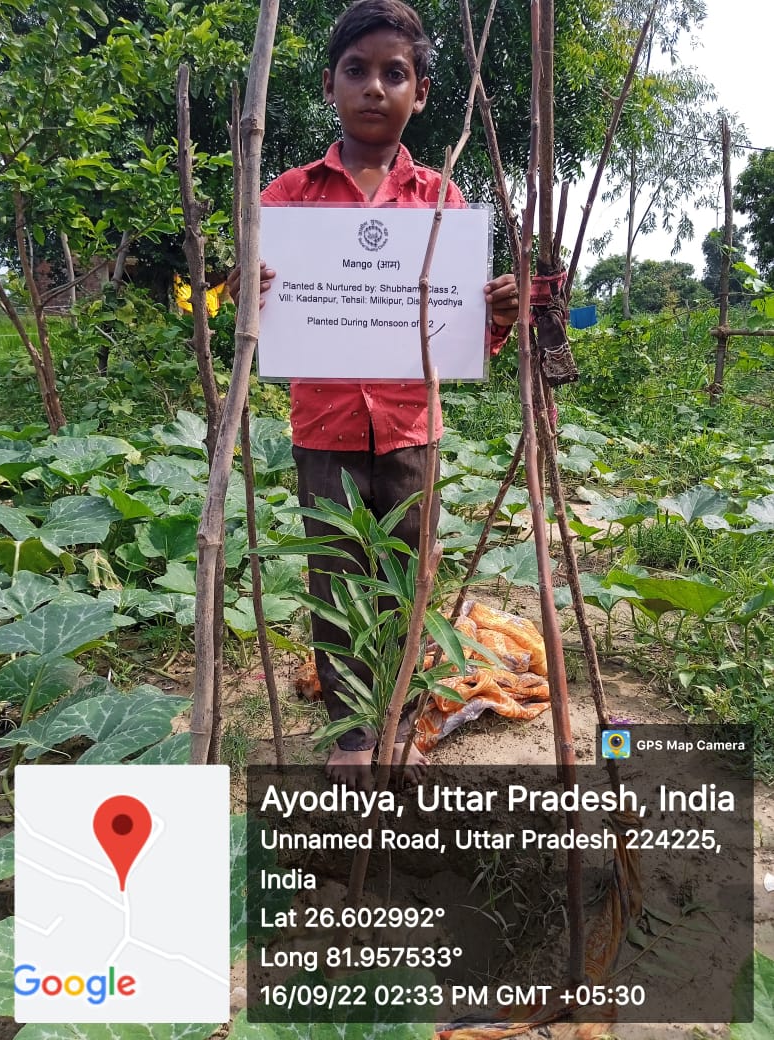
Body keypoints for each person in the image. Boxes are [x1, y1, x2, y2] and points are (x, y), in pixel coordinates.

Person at [229, 0, 519, 787]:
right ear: (330, 85)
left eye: (395, 73)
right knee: (335, 574)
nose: (374, 87)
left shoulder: (442, 199)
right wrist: (245, 290)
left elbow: (459, 332)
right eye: (357, 71)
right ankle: (353, 730)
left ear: (420, 93)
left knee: (406, 573)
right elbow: (253, 313)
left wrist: (488, 315)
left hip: (409, 423)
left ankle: (395, 715)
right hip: (322, 422)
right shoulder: (287, 196)